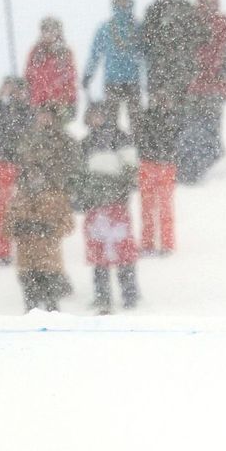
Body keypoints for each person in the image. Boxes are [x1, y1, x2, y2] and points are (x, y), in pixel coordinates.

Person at [7, 105, 80, 311]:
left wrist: (63, 184)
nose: (44, 119)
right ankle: (43, 286)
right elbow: (21, 158)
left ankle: (55, 282)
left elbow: (73, 163)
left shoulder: (64, 139)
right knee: (34, 244)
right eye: (41, 114)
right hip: (31, 192)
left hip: (54, 193)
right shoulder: (30, 138)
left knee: (51, 243)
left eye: (48, 115)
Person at [78, 102, 140, 314]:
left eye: (99, 114)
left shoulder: (120, 138)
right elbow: (78, 174)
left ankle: (129, 294)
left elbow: (131, 167)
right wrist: (81, 197)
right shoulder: (85, 143)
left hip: (116, 203)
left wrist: (125, 187)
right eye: (93, 115)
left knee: (122, 249)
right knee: (99, 253)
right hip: (95, 206)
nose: (96, 119)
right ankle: (102, 295)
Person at [181, 0, 226, 183]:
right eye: (205, 2)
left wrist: (220, 75)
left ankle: (207, 161)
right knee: (192, 126)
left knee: (210, 127)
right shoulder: (192, 24)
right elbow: (186, 54)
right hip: (195, 86)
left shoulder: (223, 24)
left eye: (211, 2)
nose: (208, 6)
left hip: (214, 86)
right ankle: (192, 164)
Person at [81, 0, 144, 136]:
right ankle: (112, 146)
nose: (123, 4)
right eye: (119, 1)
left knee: (137, 119)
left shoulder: (137, 27)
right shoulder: (105, 28)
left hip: (132, 79)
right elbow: (95, 53)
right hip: (112, 80)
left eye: (125, 1)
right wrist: (88, 74)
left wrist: (149, 74)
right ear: (114, 4)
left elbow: (144, 52)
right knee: (110, 119)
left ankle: (138, 148)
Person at [0, 77, 33, 264]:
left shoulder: (29, 112)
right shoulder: (4, 109)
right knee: (3, 208)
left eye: (20, 90)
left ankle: (27, 247)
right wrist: (2, 92)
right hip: (3, 163)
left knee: (25, 207)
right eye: (14, 91)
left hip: (23, 164)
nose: (17, 94)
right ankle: (4, 250)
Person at [137, 89, 179, 254]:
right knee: (149, 207)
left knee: (163, 207)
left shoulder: (173, 118)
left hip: (164, 165)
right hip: (150, 165)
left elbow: (176, 140)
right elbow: (140, 140)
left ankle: (165, 243)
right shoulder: (148, 117)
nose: (162, 102)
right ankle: (149, 243)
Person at [24, 18, 78, 121]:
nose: (49, 34)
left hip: (60, 103)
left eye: (52, 30)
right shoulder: (35, 52)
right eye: (46, 30)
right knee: (39, 133)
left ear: (58, 32)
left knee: (57, 132)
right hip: (39, 102)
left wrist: (66, 100)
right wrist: (30, 98)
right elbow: (28, 76)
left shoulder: (65, 53)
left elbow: (70, 78)